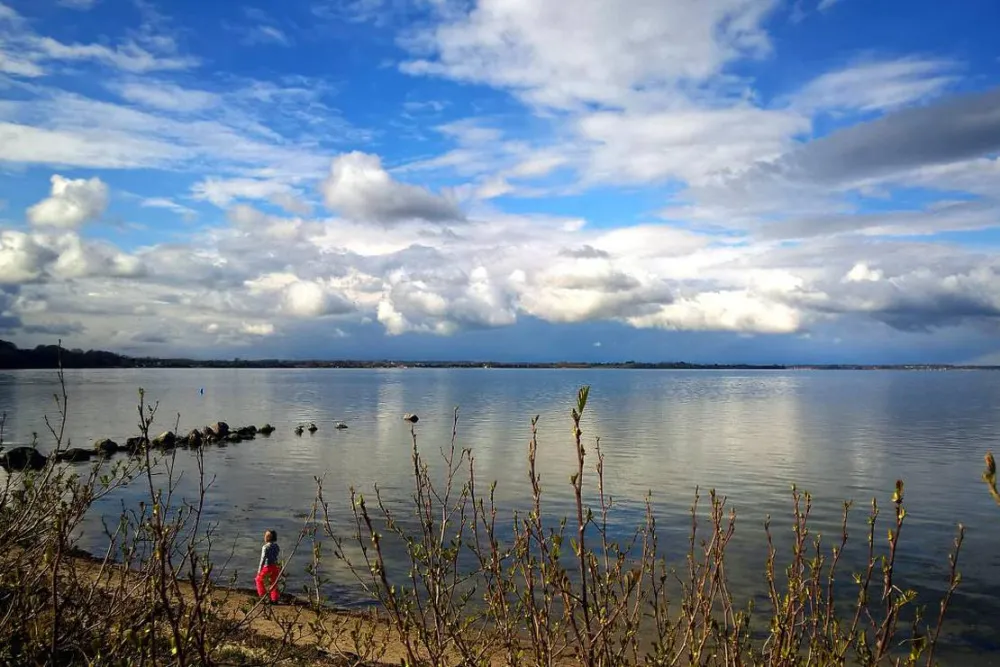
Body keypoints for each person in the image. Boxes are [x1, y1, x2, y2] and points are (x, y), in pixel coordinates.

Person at [255, 530, 281, 603]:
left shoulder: (265, 547)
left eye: (266, 535)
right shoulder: (276, 546)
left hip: (267, 567)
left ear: (268, 537)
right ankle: (275, 599)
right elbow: (276, 555)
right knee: (274, 583)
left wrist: (259, 570)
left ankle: (263, 597)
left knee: (258, 580)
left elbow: (262, 559)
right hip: (275, 567)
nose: (264, 537)